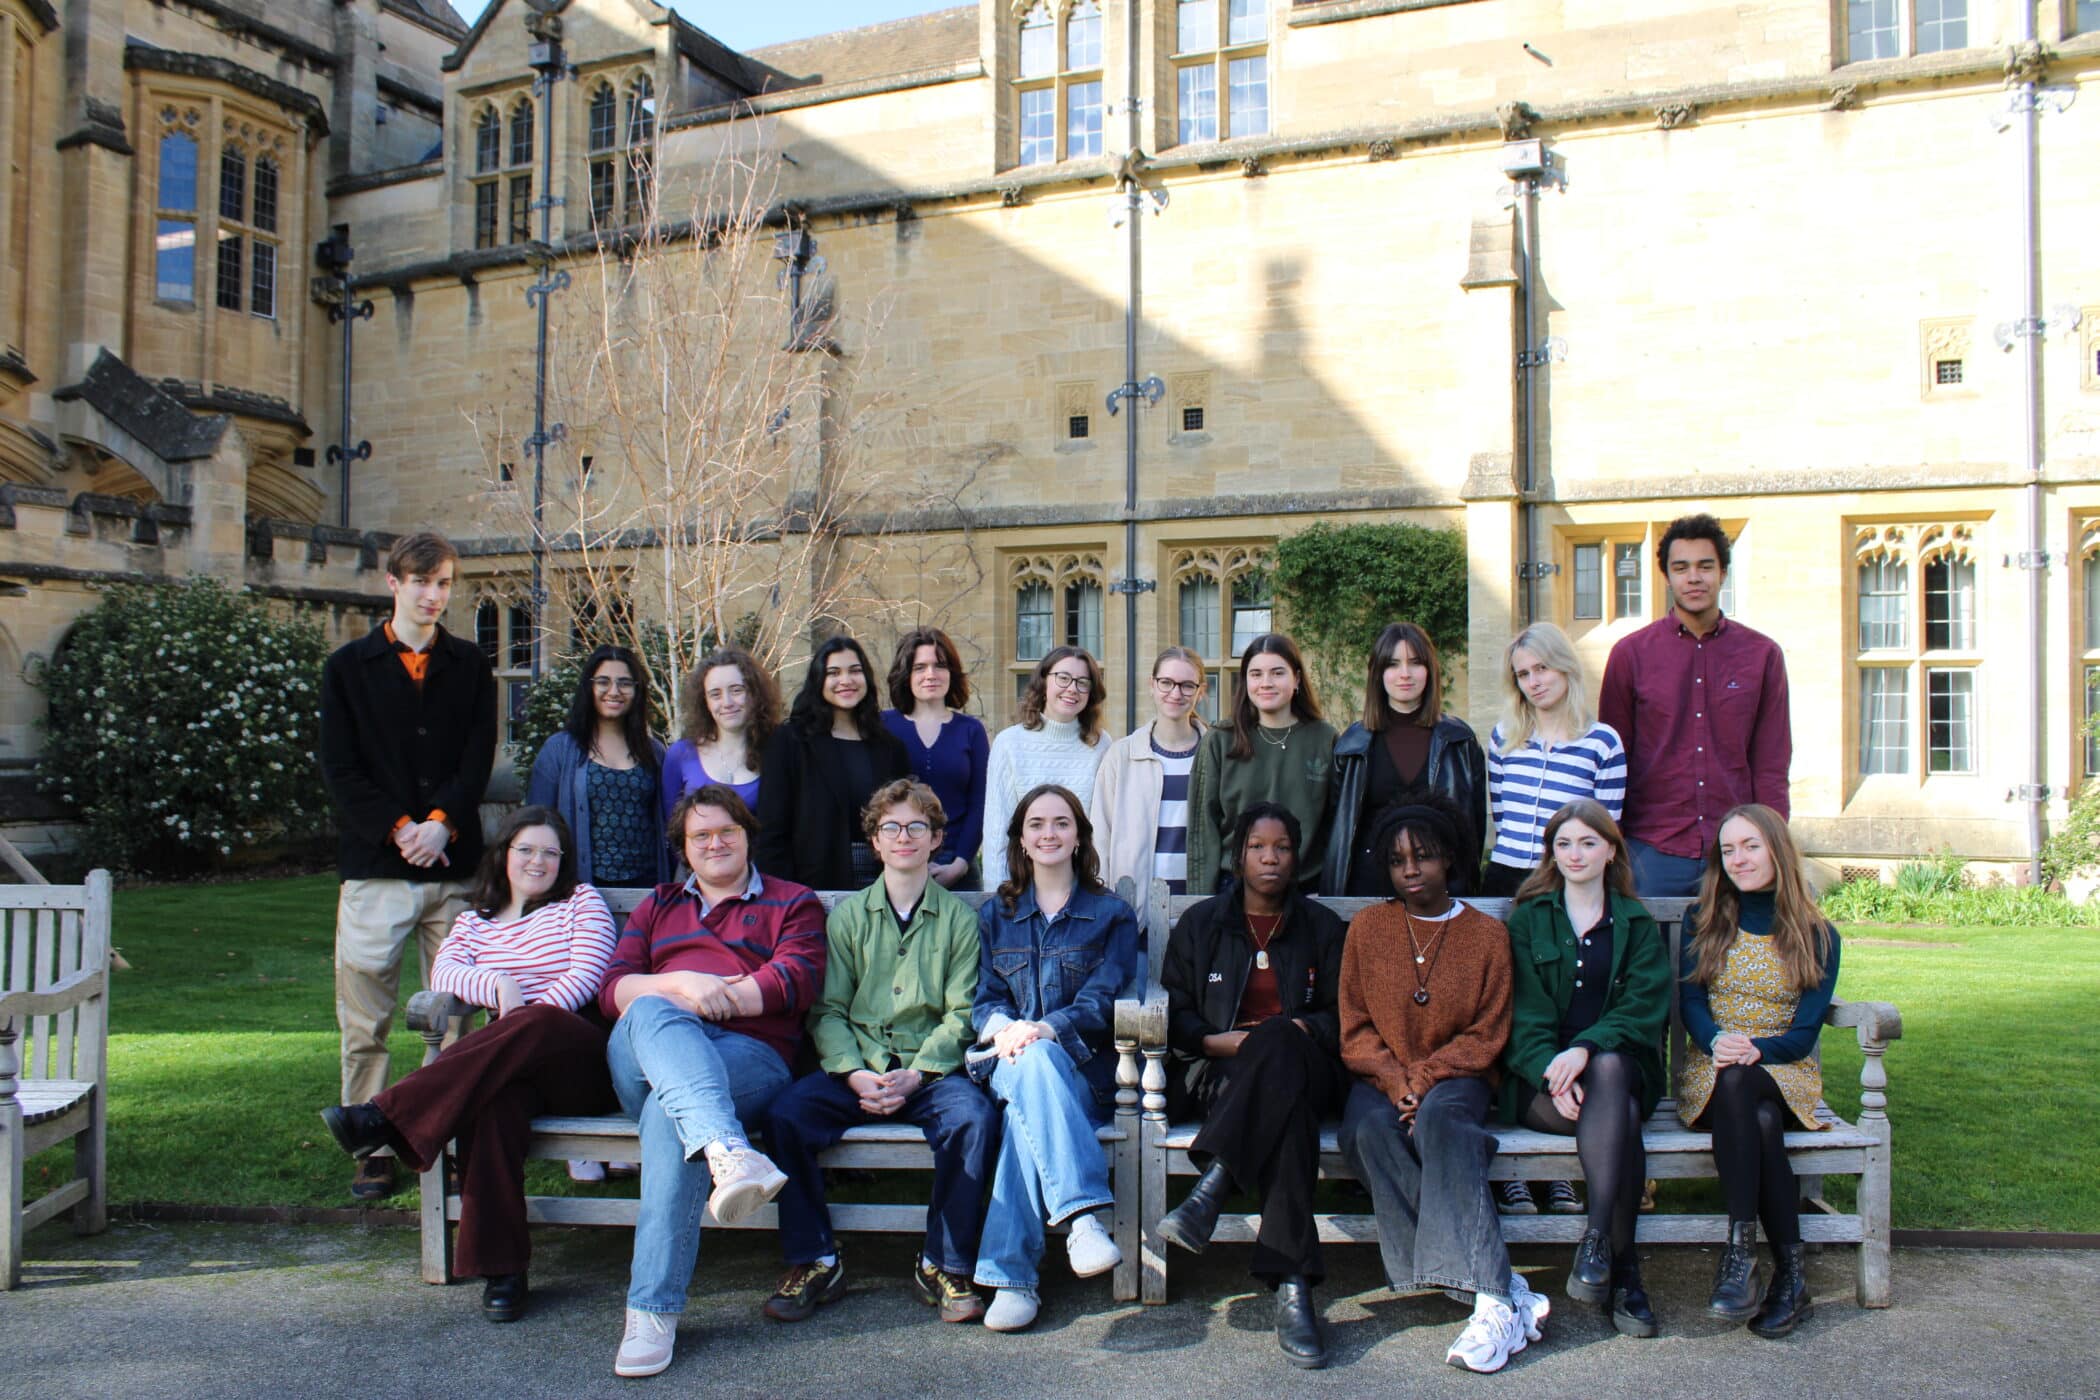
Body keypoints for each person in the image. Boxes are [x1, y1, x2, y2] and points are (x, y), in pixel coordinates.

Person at [319, 807, 617, 1323]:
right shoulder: (473, 921)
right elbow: (445, 972)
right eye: (526, 849)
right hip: (507, 1065)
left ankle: (386, 1115)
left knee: (538, 1023)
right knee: (493, 1107)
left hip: (578, 1058)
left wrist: (519, 1011)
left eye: (550, 852)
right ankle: (503, 1270)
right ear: (504, 855)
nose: (537, 861)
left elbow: (586, 978)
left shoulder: (580, 903)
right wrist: (498, 986)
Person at [597, 785, 828, 1378]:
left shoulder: (792, 902)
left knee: (666, 1119)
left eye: (727, 831)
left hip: (750, 1059)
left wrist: (701, 995)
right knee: (650, 1010)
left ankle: (651, 1311)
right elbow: (615, 991)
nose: (715, 843)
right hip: (646, 1058)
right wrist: (683, 987)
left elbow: (792, 982)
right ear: (683, 847)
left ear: (748, 834)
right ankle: (727, 1148)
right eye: (700, 835)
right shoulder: (657, 905)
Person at [762, 780, 999, 1325]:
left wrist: (917, 1075)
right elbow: (827, 1010)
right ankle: (815, 1259)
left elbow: (963, 1014)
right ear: (874, 841)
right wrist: (850, 1073)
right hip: (860, 1068)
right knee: (785, 1115)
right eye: (890, 827)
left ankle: (944, 1263)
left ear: (937, 838)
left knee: (975, 1119)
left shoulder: (962, 920)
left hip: (929, 1072)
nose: (904, 837)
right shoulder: (846, 918)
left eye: (917, 826)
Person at [1335, 798, 1550, 1375]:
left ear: (1449, 859)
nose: (1411, 870)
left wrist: (1425, 1079)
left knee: (1443, 1121)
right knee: (1366, 1132)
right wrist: (1394, 1078)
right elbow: (1353, 1026)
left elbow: (1490, 1031)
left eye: (1424, 857)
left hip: (1459, 1075)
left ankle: (1490, 1301)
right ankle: (1499, 1287)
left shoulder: (1486, 935)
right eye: (1399, 859)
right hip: (1381, 1076)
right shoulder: (1368, 929)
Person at [318, 530, 497, 1201]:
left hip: (453, 867)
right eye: (421, 582)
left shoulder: (469, 667)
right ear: (392, 583)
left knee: (455, 1016)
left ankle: (440, 1136)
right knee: (366, 1017)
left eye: (445, 583)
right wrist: (402, 830)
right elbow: (341, 769)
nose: (433, 595)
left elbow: (476, 759)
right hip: (376, 870)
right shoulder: (348, 668)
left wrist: (441, 823)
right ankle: (369, 1143)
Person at [1154, 802, 1349, 1368]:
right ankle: (1293, 1287)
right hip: (1220, 1075)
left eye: (1282, 847)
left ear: (1296, 855)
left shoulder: (1321, 928)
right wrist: (1216, 1042)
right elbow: (1177, 1009)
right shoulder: (1202, 925)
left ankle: (1214, 1185)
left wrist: (1290, 1032)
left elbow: (1341, 1017)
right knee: (1284, 1119)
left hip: (1308, 1069)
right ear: (1239, 855)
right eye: (1258, 847)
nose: (1270, 858)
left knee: (1282, 1044)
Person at [969, 783, 1141, 1333]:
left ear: (1079, 837)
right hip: (1010, 1060)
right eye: (1037, 824)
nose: (1049, 833)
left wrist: (1043, 1029)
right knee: (1029, 1065)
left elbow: (1105, 996)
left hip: (1084, 1072)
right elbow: (985, 1000)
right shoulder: (998, 914)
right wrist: (1008, 1032)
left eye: (1061, 823)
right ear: (1021, 838)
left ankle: (1012, 1278)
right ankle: (1083, 1217)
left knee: (1027, 1111)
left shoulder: (1110, 914)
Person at [1500, 800, 1670, 1337]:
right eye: (1564, 844)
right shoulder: (1529, 918)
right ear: (1551, 852)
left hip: (1617, 1067)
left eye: (1588, 842)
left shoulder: (1636, 923)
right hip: (1543, 1082)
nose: (1576, 854)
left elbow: (1642, 1007)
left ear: (1611, 850)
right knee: (1615, 1115)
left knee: (1614, 1072)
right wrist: (1553, 1068)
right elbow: (1520, 1012)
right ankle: (1626, 1276)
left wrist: (1587, 1051)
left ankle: (1597, 1239)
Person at [1676, 803, 1838, 1341]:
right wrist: (1720, 1042)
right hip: (1713, 1067)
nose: (1738, 859)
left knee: (1747, 1086)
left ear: (1776, 849)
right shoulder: (1703, 918)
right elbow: (1693, 1002)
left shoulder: (1817, 934)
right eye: (1728, 850)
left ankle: (1740, 1253)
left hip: (1781, 1070)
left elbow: (1803, 1036)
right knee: (1755, 1115)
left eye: (1750, 846)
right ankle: (1790, 1278)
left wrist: (1753, 1051)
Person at [1599, 513, 1792, 897]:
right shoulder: (1630, 655)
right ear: (1666, 577)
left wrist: (1771, 842)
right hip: (1651, 849)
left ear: (1723, 573)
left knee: (1739, 957)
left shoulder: (1762, 655)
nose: (1694, 577)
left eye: (1705, 566)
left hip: (1737, 851)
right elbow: (1613, 763)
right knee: (1650, 958)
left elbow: (1771, 761)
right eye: (1681, 567)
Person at [1323, 622, 1487, 899]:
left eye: (1415, 663)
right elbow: (1337, 823)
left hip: (1441, 886)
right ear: (1378, 673)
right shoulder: (1352, 743)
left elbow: (1473, 825)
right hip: (1368, 884)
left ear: (1430, 670)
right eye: (1393, 664)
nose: (1405, 674)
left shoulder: (1459, 740)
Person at [1186, 634, 1337, 897]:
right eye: (1256, 674)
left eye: (1277, 673)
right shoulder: (1221, 740)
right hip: (1234, 888)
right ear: (1245, 681)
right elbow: (1203, 828)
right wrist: (1200, 902)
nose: (1266, 683)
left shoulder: (1325, 739)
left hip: (1306, 890)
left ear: (1297, 679)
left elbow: (1337, 825)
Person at [1483, 623, 1626, 898]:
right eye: (1523, 675)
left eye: (1542, 668)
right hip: (1503, 875)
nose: (1533, 682)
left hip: (1565, 880)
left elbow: (1606, 830)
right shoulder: (1504, 737)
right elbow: (1502, 817)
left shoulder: (1602, 742)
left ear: (1565, 666)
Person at [756, 636, 910, 891]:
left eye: (855, 671)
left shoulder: (890, 748)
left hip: (885, 885)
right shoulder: (790, 742)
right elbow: (771, 832)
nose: (846, 680)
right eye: (833, 673)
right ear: (819, 681)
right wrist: (783, 897)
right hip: (811, 885)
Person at [528, 645, 670, 888]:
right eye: (603, 681)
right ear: (589, 687)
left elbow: (668, 822)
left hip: (647, 889)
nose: (614, 691)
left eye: (625, 683)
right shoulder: (560, 750)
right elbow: (536, 823)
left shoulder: (654, 752)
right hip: (580, 890)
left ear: (636, 690)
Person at [980, 647, 1112, 889]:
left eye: (1083, 682)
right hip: (1022, 889)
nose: (1072, 688)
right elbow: (997, 831)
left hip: (1082, 890)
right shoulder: (1009, 743)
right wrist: (998, 896)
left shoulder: (1101, 744)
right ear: (1043, 681)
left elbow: (1101, 833)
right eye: (1063, 678)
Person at [1088, 645, 1207, 915]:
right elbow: (1099, 839)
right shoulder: (1122, 755)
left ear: (1200, 691)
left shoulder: (1217, 755)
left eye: (1187, 685)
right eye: (1166, 683)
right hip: (1136, 916)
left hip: (1200, 916)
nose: (1175, 693)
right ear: (1151, 685)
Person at [881, 628, 990, 890]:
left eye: (940, 665)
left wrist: (960, 864)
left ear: (951, 673)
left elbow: (981, 803)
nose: (931, 674)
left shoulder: (970, 730)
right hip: (897, 865)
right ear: (906, 674)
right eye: (920, 667)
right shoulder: (882, 726)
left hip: (959, 868)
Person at [661, 647, 779, 817]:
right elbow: (669, 828)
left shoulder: (778, 752)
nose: (727, 702)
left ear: (755, 694)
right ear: (704, 702)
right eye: (715, 694)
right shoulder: (681, 755)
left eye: (737, 690)